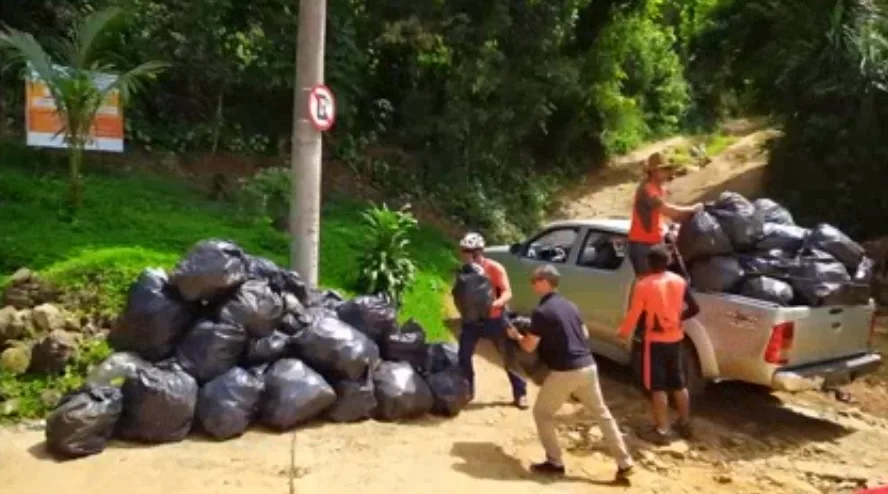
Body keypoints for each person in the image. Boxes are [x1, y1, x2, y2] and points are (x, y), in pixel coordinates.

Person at [506, 264, 634, 481]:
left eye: (534, 279)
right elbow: (583, 332)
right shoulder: (570, 305)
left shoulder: (541, 311)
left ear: (545, 282)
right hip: (589, 366)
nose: (532, 283)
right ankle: (625, 461)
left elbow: (529, 347)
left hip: (565, 371)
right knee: (602, 414)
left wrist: (516, 336)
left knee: (542, 413)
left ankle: (554, 462)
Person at [617, 244, 700, 445]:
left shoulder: (644, 284)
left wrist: (623, 332)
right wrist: (677, 318)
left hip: (655, 341)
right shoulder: (679, 281)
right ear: (668, 262)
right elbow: (694, 308)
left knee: (658, 387)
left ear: (648, 263)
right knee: (679, 384)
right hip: (676, 338)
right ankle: (685, 422)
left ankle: (662, 431)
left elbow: (635, 313)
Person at [456, 232, 528, 409]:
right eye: (464, 250)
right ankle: (467, 391)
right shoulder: (463, 270)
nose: (466, 254)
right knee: (463, 355)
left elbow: (507, 291)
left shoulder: (494, 268)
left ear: (479, 251)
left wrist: (499, 302)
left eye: (470, 251)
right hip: (471, 321)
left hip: (495, 319)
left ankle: (521, 393)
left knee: (508, 356)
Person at [628, 152, 703, 276]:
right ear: (654, 171)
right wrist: (693, 209)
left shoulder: (658, 188)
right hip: (643, 244)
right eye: (664, 169)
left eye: (668, 169)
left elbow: (670, 215)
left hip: (655, 242)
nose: (667, 172)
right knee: (651, 284)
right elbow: (667, 210)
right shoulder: (647, 189)